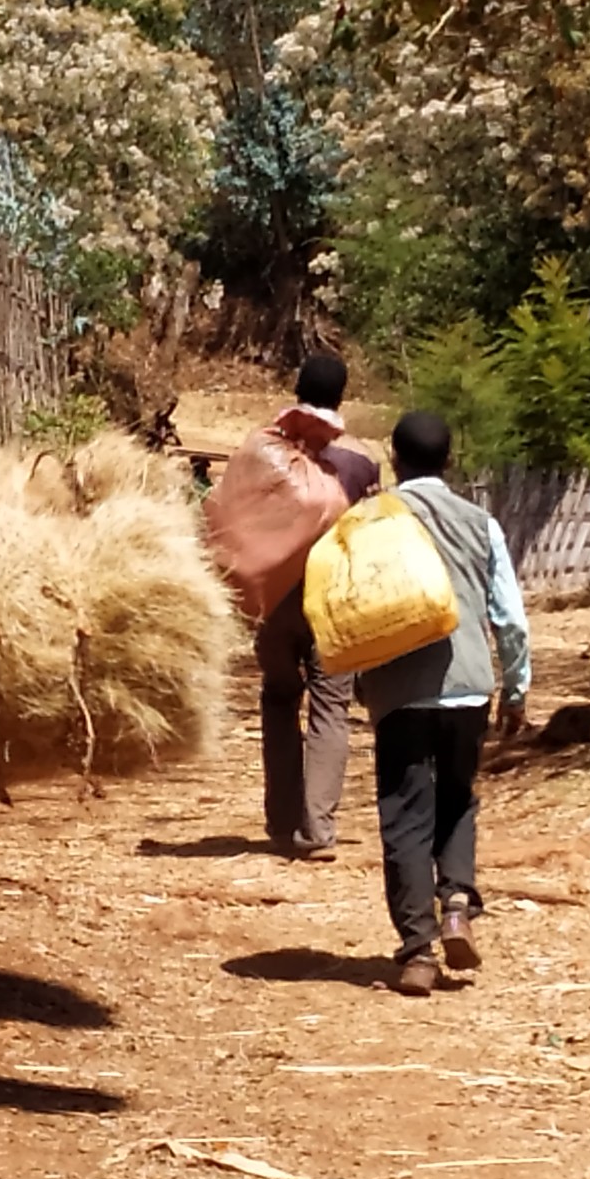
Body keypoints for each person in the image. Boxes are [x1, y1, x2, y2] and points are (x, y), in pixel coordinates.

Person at [357, 411, 531, 994]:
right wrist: (517, 687)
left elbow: (346, 604)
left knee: (406, 815)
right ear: (449, 461)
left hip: (399, 690)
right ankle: (455, 901)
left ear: (393, 458)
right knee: (456, 799)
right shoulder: (481, 523)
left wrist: (357, 678)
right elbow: (509, 616)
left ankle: (418, 952)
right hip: (468, 686)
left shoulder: (370, 520)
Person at [256, 351, 380, 861]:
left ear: (297, 387)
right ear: (342, 395)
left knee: (279, 700)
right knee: (331, 708)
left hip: (279, 600)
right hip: (334, 601)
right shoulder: (361, 461)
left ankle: (283, 821)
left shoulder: (266, 450)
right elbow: (374, 533)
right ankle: (317, 830)